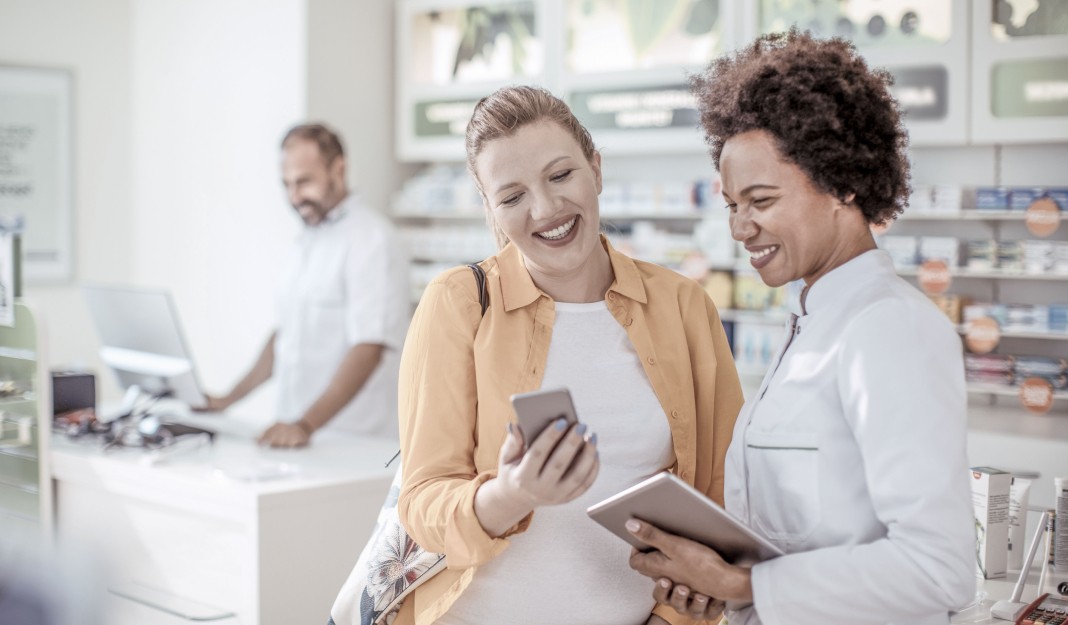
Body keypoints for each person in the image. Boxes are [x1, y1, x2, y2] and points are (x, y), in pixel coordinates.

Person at [626, 29, 976, 625]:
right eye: (733, 205)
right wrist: (719, 577)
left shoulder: (890, 329)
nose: (740, 229)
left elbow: (939, 568)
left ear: (843, 181)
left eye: (760, 201)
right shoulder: (811, 322)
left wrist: (746, 584)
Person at [395, 85, 743, 625]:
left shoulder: (683, 306)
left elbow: (720, 495)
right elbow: (421, 503)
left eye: (561, 176)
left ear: (596, 171)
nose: (546, 209)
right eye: (511, 197)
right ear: (490, 208)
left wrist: (680, 614)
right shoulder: (459, 303)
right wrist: (509, 496)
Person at [202, 124, 409, 447]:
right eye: (286, 185)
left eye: (304, 182)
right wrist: (227, 400)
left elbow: (369, 347)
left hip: (353, 444)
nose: (294, 197)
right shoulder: (307, 240)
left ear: (338, 169)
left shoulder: (372, 240)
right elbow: (285, 337)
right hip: (295, 437)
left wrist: (305, 424)